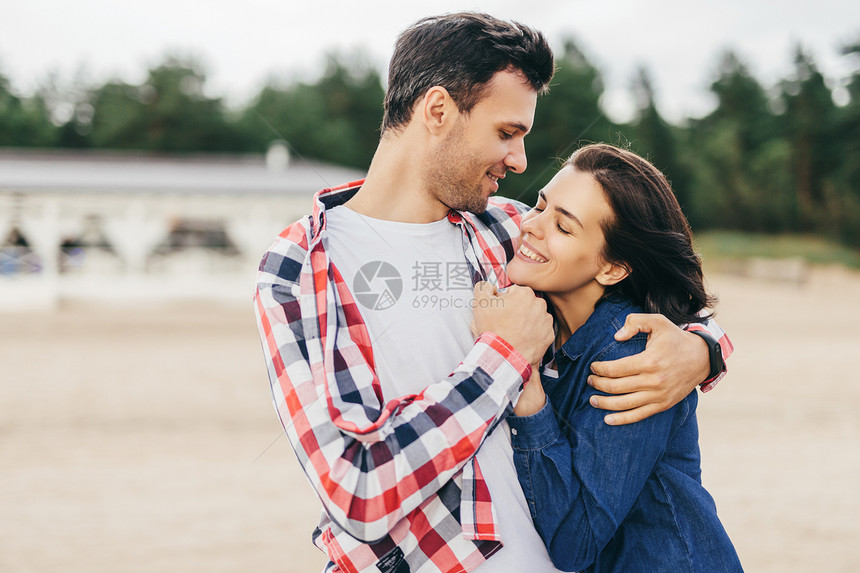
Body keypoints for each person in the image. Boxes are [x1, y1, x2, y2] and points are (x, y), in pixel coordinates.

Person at [254, 12, 730, 573]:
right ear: (437, 111)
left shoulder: (505, 228)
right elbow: (357, 491)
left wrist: (701, 348)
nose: (520, 161)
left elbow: (645, 279)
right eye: (507, 133)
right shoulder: (299, 268)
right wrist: (504, 357)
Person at [504, 143, 741, 572]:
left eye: (563, 226)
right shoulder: (548, 323)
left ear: (612, 268)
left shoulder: (631, 354)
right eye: (539, 205)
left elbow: (575, 542)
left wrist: (522, 375)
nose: (531, 226)